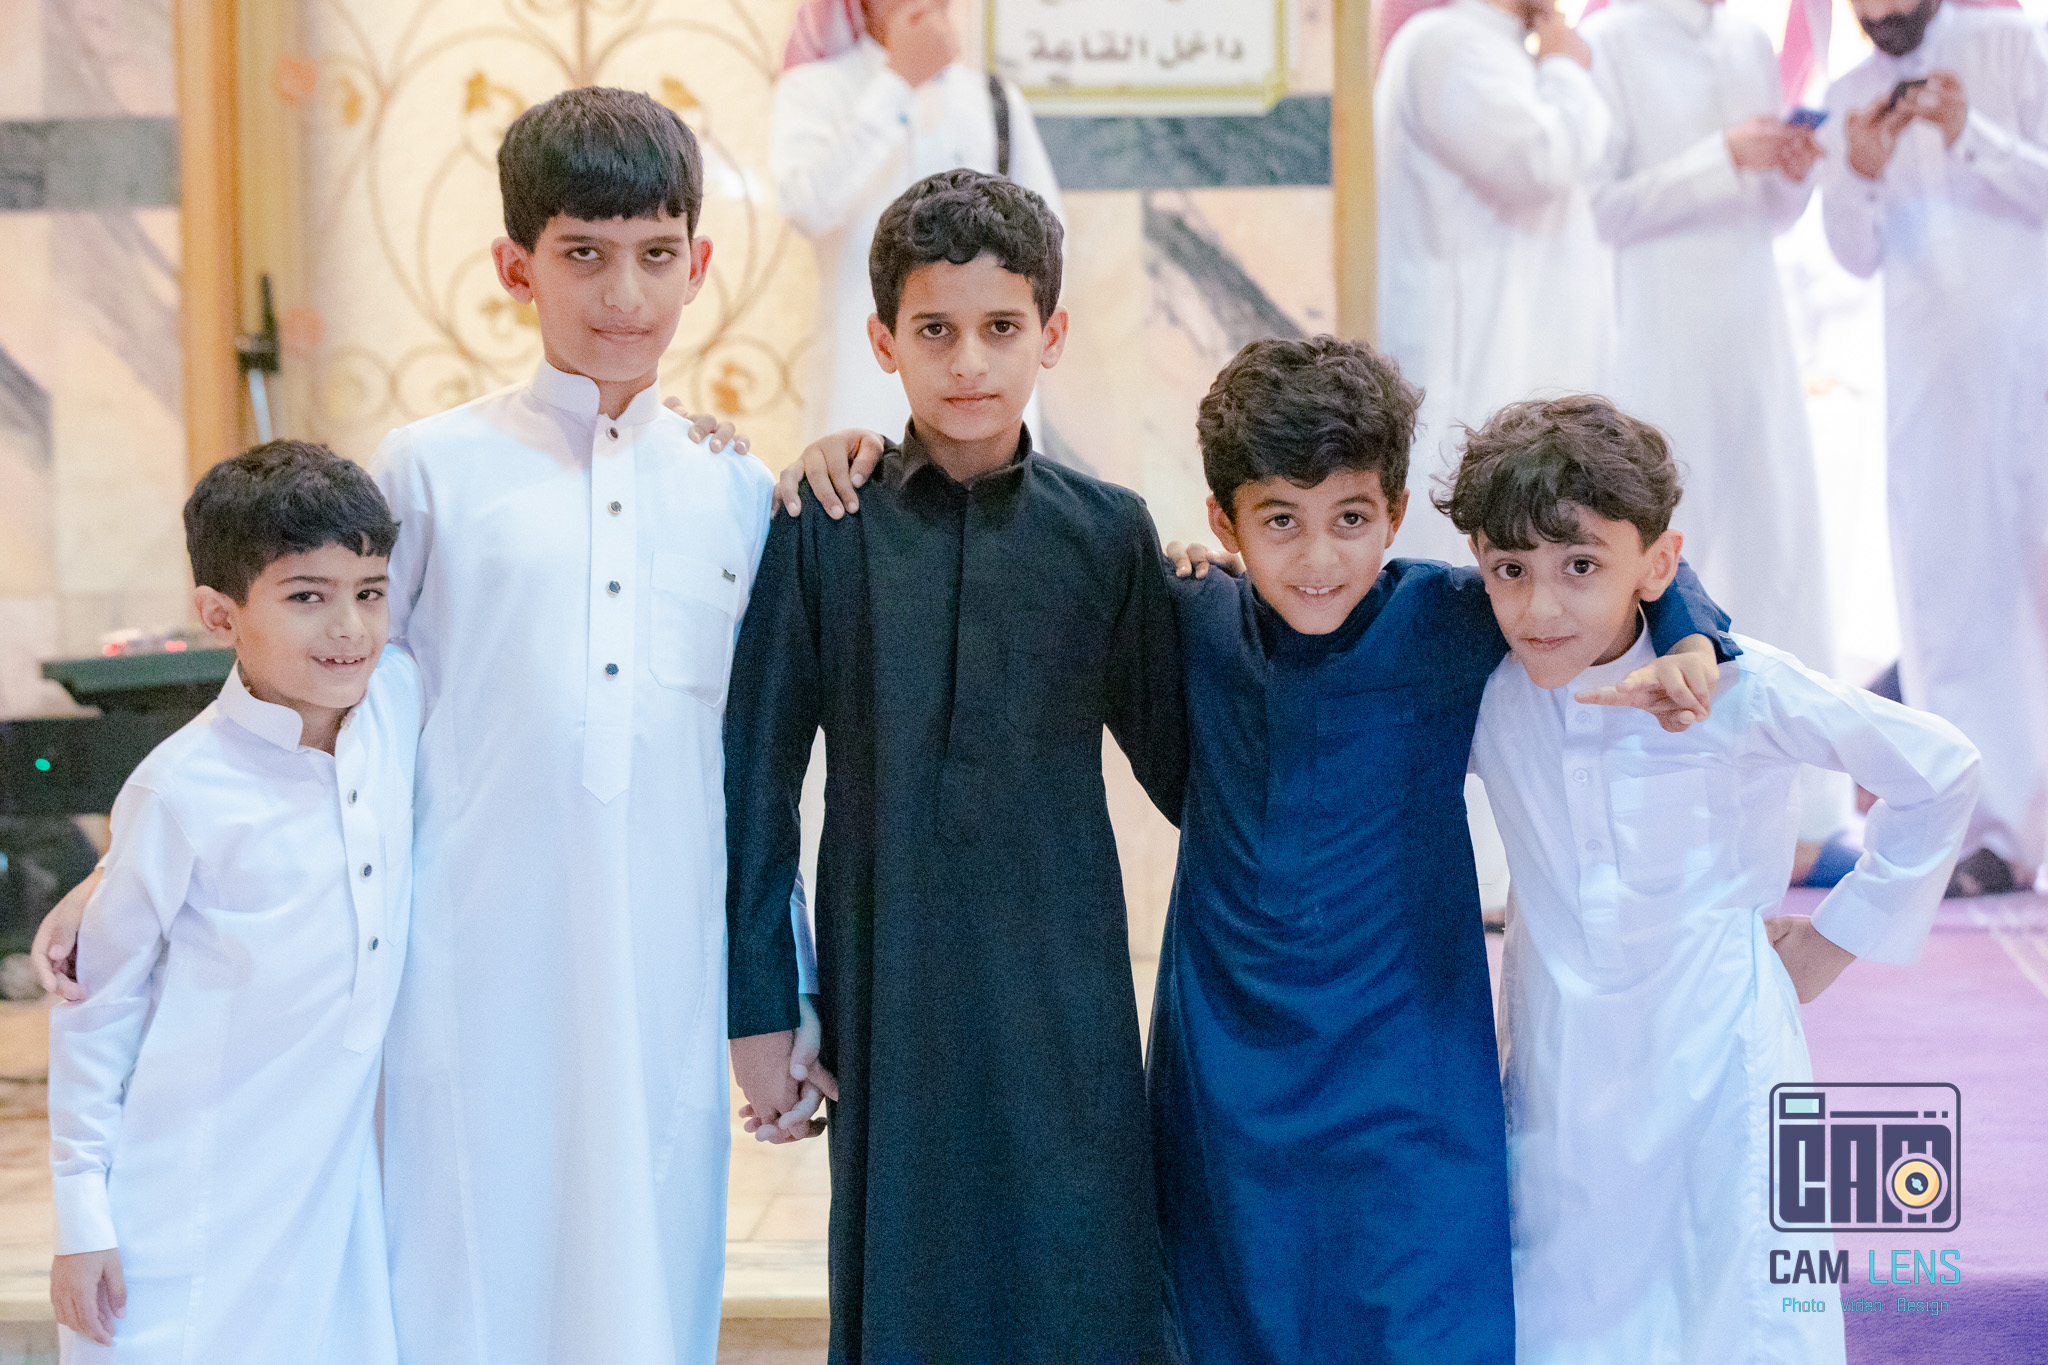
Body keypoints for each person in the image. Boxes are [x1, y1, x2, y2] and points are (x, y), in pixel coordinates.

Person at [780, 334, 1736, 1362]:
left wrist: (1690, 630)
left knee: (1428, 1324)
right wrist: (856, 460)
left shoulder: (1449, 618)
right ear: (1222, 522)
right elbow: (1013, 563)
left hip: (1407, 1072)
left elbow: (1614, 567)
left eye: (1350, 519)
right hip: (1227, 1081)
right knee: (1230, 1327)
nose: (1318, 559)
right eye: (1280, 521)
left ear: (1394, 514)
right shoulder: (1186, 614)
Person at [367, 89, 820, 1364]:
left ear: (699, 264)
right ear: (515, 267)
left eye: (655, 255)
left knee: (645, 1282)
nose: (624, 294)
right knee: (464, 1282)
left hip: (663, 973)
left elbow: (762, 771)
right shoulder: (426, 471)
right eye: (583, 254)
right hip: (465, 969)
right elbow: (332, 710)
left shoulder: (740, 490)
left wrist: (783, 996)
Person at [723, 168, 1185, 1361]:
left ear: (1051, 334)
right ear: (882, 342)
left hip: (1063, 986)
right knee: (910, 1272)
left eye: (1000, 328)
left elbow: (1190, 771)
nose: (968, 362)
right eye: (934, 330)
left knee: (1078, 1261)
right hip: (891, 980)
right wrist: (760, 1006)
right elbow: (754, 780)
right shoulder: (823, 526)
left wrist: (1224, 598)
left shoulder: (1107, 535)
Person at [1442, 395, 1979, 1364]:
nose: (1539, 608)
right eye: (1509, 570)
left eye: (1580, 567)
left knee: (1747, 1317)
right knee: (1564, 1315)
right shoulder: (1486, 690)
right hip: (1561, 1076)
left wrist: (1835, 938)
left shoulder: (1740, 688)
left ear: (1657, 565)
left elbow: (1938, 770)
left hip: (1726, 1065)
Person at [47, 442, 416, 1364]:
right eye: (306, 595)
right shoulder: (178, 789)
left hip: (332, 1200)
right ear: (220, 614)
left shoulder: (398, 710)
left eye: (369, 591)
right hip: (188, 1205)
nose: (349, 627)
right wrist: (81, 1218)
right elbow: (96, 1013)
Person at [1582, 0, 1853, 876]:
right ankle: (1670, 819)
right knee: (1668, 559)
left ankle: (1805, 817)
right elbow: (1602, 208)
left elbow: (1770, 213)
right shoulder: (1610, 40)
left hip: (1755, 332)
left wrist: (1790, 171)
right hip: (1662, 340)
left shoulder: (1744, 39)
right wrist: (1721, 157)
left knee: (1780, 552)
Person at [1818, 0, 2048, 895]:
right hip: (1932, 394)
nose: (1883, 16)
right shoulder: (1850, 95)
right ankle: (1989, 833)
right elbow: (1852, 252)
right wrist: (1860, 173)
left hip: (2030, 369)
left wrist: (1971, 135)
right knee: (1951, 607)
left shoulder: (2012, 47)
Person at [1374, 0, 1614, 565]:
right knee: (1461, 547)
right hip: (1471, 363)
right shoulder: (1450, 44)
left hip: (1509, 357)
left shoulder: (1500, 50)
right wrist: (1565, 68)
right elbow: (1541, 164)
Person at [772, 0, 1063, 441]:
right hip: (864, 389)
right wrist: (898, 82)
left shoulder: (993, 98)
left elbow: (1049, 243)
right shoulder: (814, 88)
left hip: (985, 394)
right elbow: (808, 206)